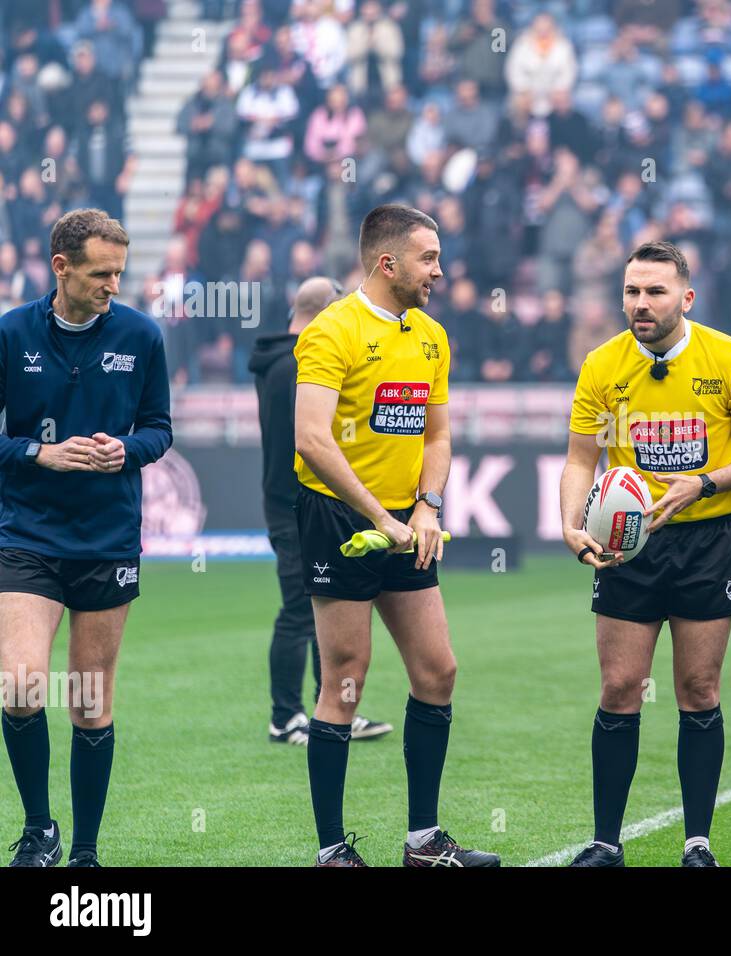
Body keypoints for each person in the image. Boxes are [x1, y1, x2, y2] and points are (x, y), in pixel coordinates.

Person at [559, 240, 731, 867]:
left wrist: (705, 483)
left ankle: (698, 842)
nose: (640, 303)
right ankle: (606, 842)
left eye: (654, 291)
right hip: (629, 545)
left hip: (709, 540)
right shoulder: (603, 365)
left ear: (686, 297)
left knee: (698, 687)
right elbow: (581, 458)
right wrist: (570, 522)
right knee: (619, 686)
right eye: (631, 291)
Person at [293, 204, 496, 867]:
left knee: (438, 670)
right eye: (429, 258)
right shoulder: (332, 332)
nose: (440, 270)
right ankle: (332, 850)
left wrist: (428, 506)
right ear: (388, 263)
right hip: (338, 520)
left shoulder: (433, 337)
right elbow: (312, 439)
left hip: (408, 523)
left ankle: (423, 844)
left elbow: (437, 432)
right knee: (345, 679)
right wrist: (377, 516)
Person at [0, 208, 172, 867]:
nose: (113, 285)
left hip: (105, 538)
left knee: (90, 702)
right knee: (18, 685)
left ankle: (87, 854)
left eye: (119, 274)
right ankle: (40, 830)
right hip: (27, 534)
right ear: (61, 267)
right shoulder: (12, 333)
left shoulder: (142, 335)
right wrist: (35, 455)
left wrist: (125, 450)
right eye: (101, 273)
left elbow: (160, 428)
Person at [248, 276, 392, 745]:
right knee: (298, 609)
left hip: (296, 500)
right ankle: (285, 716)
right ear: (328, 310)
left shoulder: (279, 360)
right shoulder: (299, 363)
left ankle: (330, 708)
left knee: (318, 607)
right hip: (297, 502)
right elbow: (312, 440)